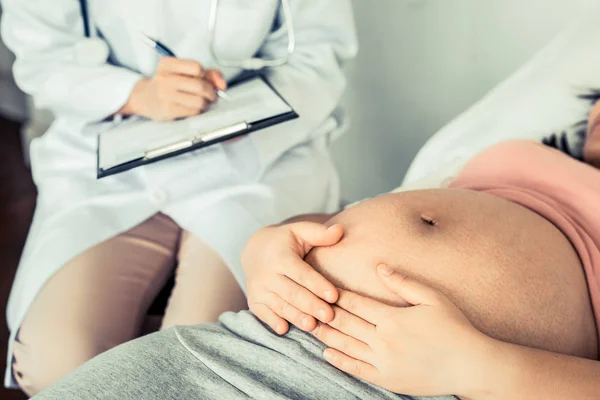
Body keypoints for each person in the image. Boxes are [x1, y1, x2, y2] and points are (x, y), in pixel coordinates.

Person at [30, 99, 600, 399]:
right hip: (243, 341)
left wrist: (481, 367)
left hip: (411, 388)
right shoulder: (520, 155)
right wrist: (268, 246)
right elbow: (332, 223)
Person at [0, 0, 358, 395]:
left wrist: (247, 110)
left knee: (199, 369)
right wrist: (136, 94)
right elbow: (43, 55)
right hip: (111, 156)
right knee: (57, 368)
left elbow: (318, 54)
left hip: (257, 160)